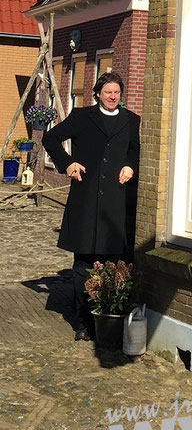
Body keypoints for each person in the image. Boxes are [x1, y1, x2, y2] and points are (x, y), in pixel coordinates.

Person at [42, 71, 140, 341]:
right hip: (85, 199)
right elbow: (50, 139)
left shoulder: (131, 120)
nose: (112, 97)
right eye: (107, 92)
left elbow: (135, 149)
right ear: (98, 93)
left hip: (114, 202)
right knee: (83, 263)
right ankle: (83, 321)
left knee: (111, 262)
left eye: (116, 93)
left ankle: (107, 316)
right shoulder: (82, 117)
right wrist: (67, 163)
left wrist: (130, 166)